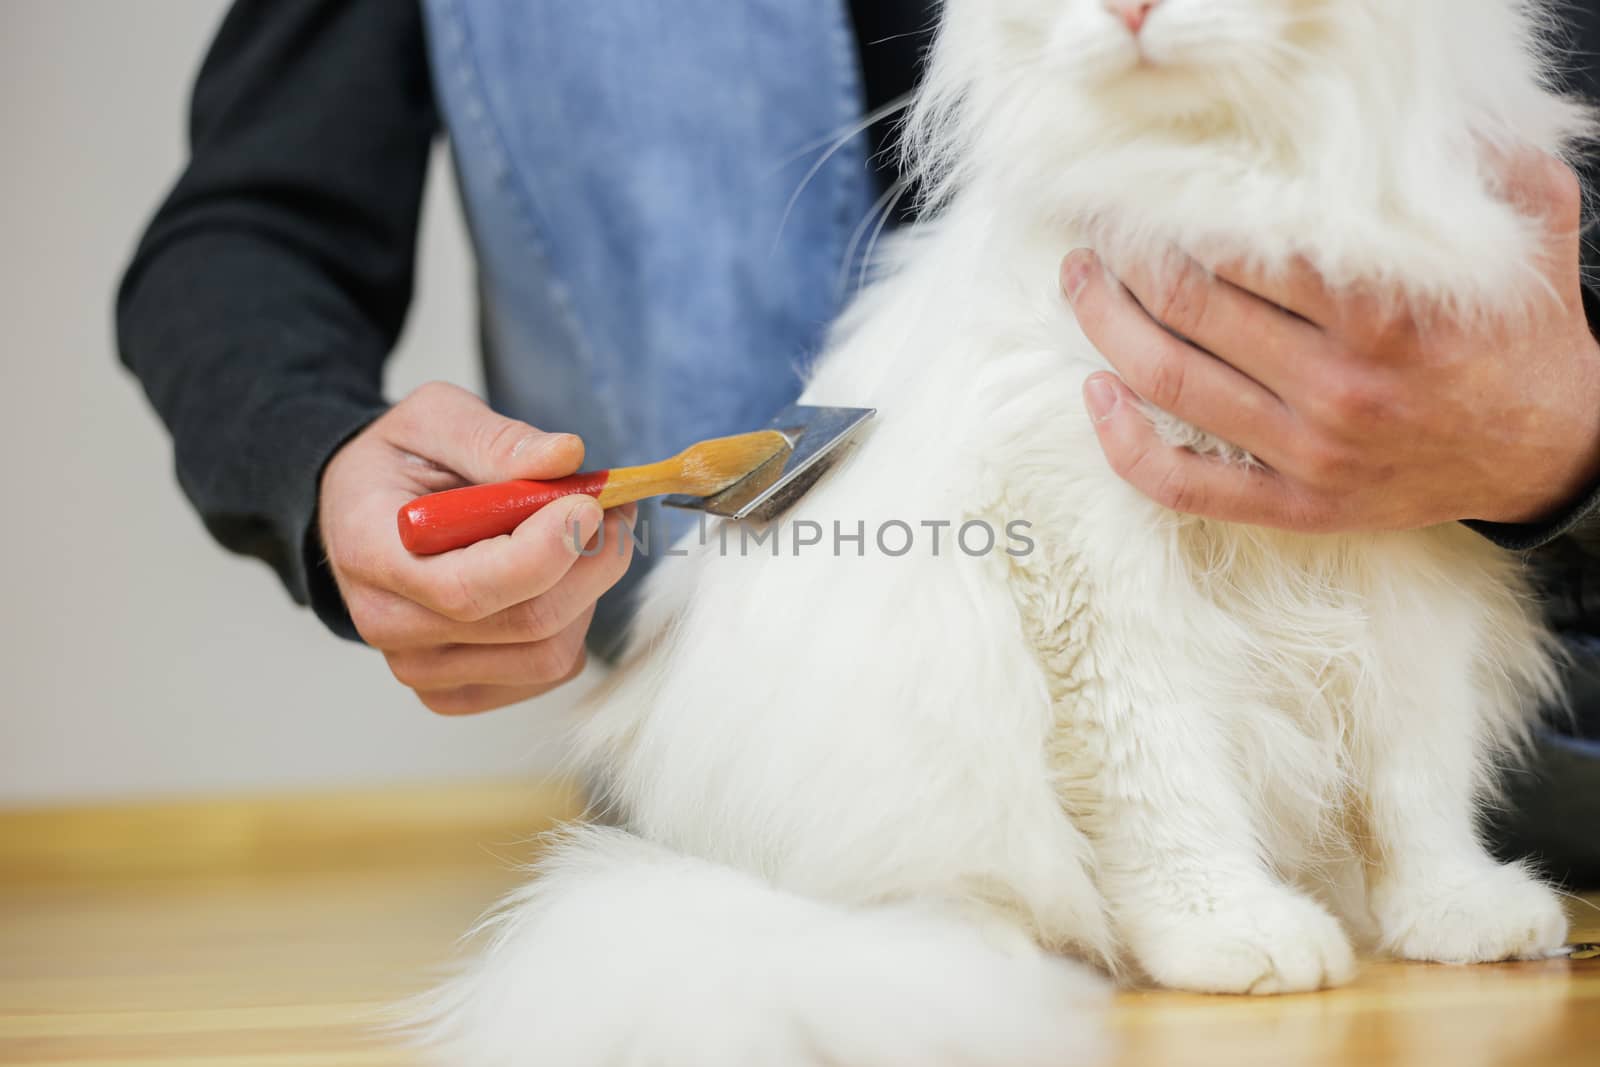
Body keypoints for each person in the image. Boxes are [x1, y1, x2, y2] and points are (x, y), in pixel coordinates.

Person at [118, 1, 1600, 883]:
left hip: (1518, 819)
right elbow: (242, 236)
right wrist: (322, 464)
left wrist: (1567, 435)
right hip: (802, 819)